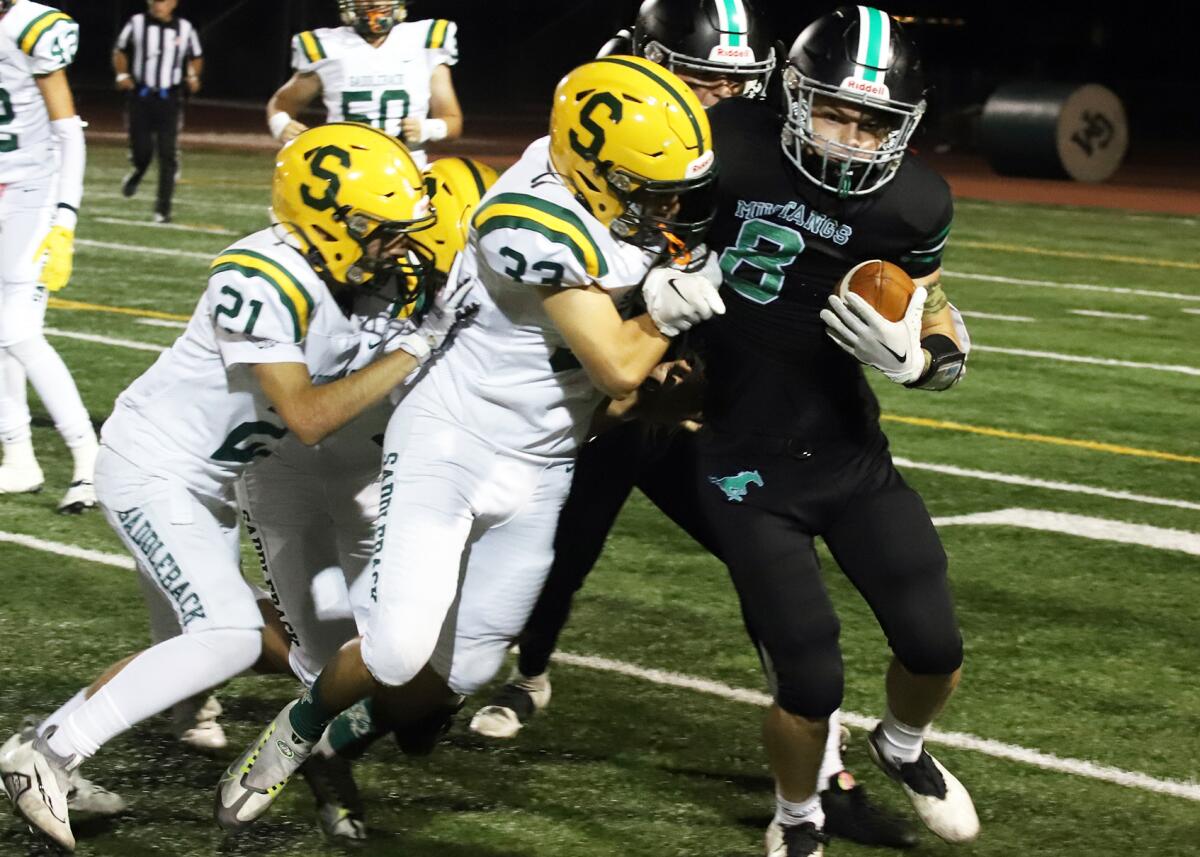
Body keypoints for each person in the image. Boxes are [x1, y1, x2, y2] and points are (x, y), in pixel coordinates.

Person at [216, 55, 727, 832]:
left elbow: (632, 391)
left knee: (472, 664)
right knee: (394, 653)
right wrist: (663, 316)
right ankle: (296, 729)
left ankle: (339, 745)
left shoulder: (606, 199)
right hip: (454, 441)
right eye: (647, 187)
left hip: (546, 459)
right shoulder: (529, 218)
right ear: (590, 168)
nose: (666, 207)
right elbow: (617, 362)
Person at [469, 3, 916, 848]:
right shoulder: (603, 131)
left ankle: (826, 777)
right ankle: (526, 675)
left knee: (772, 577)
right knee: (564, 544)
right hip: (604, 393)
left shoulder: (763, 150)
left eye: (738, 83)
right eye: (702, 76)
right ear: (643, 61)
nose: (719, 96)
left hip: (709, 403)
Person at [0, 122, 476, 852]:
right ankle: (48, 754)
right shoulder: (260, 276)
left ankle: (42, 745)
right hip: (156, 468)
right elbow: (309, 416)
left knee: (214, 644)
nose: (396, 248)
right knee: (223, 634)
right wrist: (417, 343)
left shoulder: (360, 276)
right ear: (333, 222)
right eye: (382, 232)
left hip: (217, 481)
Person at [692, 7, 979, 855]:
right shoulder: (724, 144)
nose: (854, 137)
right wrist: (664, 285)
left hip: (849, 451)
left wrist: (926, 362)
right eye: (836, 111)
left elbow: (935, 307)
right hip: (739, 457)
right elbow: (637, 239)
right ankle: (796, 815)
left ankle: (901, 744)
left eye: (876, 120)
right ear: (792, 94)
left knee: (936, 646)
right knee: (810, 676)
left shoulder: (916, 199)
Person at [238, 155, 499, 840]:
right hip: (286, 465)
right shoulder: (300, 272)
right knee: (327, 658)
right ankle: (221, 626)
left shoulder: (447, 284)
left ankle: (347, 733)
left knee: (429, 659)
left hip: (381, 472)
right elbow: (308, 413)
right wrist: (419, 341)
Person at [0, 0, 98, 514]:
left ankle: (88, 457)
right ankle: (19, 457)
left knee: (16, 330)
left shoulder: (30, 28)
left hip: (31, 189)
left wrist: (65, 216)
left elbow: (67, 130)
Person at [267, 0, 462, 169]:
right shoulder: (327, 46)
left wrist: (429, 128)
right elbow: (281, 104)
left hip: (407, 170)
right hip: (343, 170)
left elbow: (452, 121)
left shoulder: (426, 41)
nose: (375, 3)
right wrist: (281, 124)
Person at [113, 0, 203, 224]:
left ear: (173, 3)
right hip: (141, 97)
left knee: (167, 154)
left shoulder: (185, 28)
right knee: (143, 151)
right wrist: (122, 75)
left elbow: (196, 56)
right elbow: (120, 50)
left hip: (169, 98)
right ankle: (138, 169)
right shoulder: (136, 22)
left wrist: (192, 76)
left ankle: (163, 210)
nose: (156, 4)